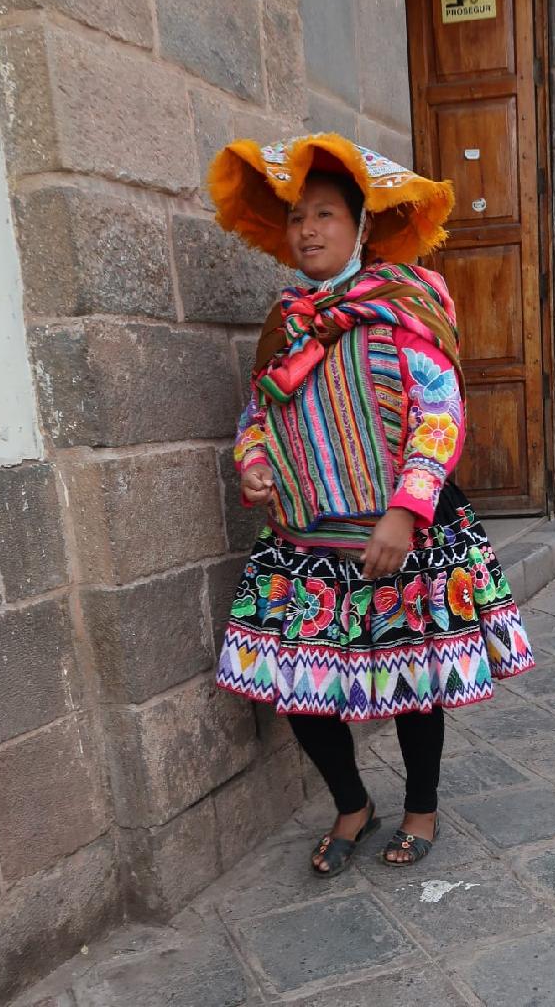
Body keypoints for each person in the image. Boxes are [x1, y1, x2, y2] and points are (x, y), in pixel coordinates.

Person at [208, 134, 534, 876]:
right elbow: (256, 414)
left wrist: (404, 512)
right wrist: (253, 463)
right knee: (298, 688)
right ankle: (353, 805)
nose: (307, 230)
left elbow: (440, 414)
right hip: (306, 541)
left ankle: (421, 808)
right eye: (297, 217)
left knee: (414, 683)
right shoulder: (286, 322)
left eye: (324, 214)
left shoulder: (404, 305)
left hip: (401, 533)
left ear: (361, 226)